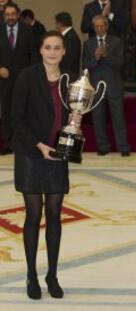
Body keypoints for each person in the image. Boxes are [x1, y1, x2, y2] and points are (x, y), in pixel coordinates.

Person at [11, 30, 79, 300]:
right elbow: (15, 119)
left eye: (57, 47)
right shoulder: (27, 76)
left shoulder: (71, 80)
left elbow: (74, 115)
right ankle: (32, 275)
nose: (52, 51)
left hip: (58, 155)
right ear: (41, 50)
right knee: (33, 215)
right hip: (31, 153)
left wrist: (76, 122)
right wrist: (39, 145)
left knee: (54, 215)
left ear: (64, 51)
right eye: (48, 47)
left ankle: (52, 275)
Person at [82, 15, 130, 156]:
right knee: (97, 118)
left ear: (106, 26)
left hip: (114, 85)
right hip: (96, 86)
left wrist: (106, 55)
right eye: (96, 26)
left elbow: (120, 63)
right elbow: (85, 66)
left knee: (118, 118)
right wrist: (96, 58)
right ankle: (102, 147)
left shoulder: (116, 42)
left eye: (101, 26)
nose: (99, 29)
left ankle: (123, 147)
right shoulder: (88, 44)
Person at [0, 2, 37, 155]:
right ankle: (8, 144)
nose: (10, 17)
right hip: (4, 79)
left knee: (24, 112)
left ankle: (23, 143)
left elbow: (34, 54)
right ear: (3, 16)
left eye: (13, 14)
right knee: (7, 112)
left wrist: (30, 74)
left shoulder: (28, 30)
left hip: (24, 79)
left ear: (18, 14)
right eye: (7, 14)